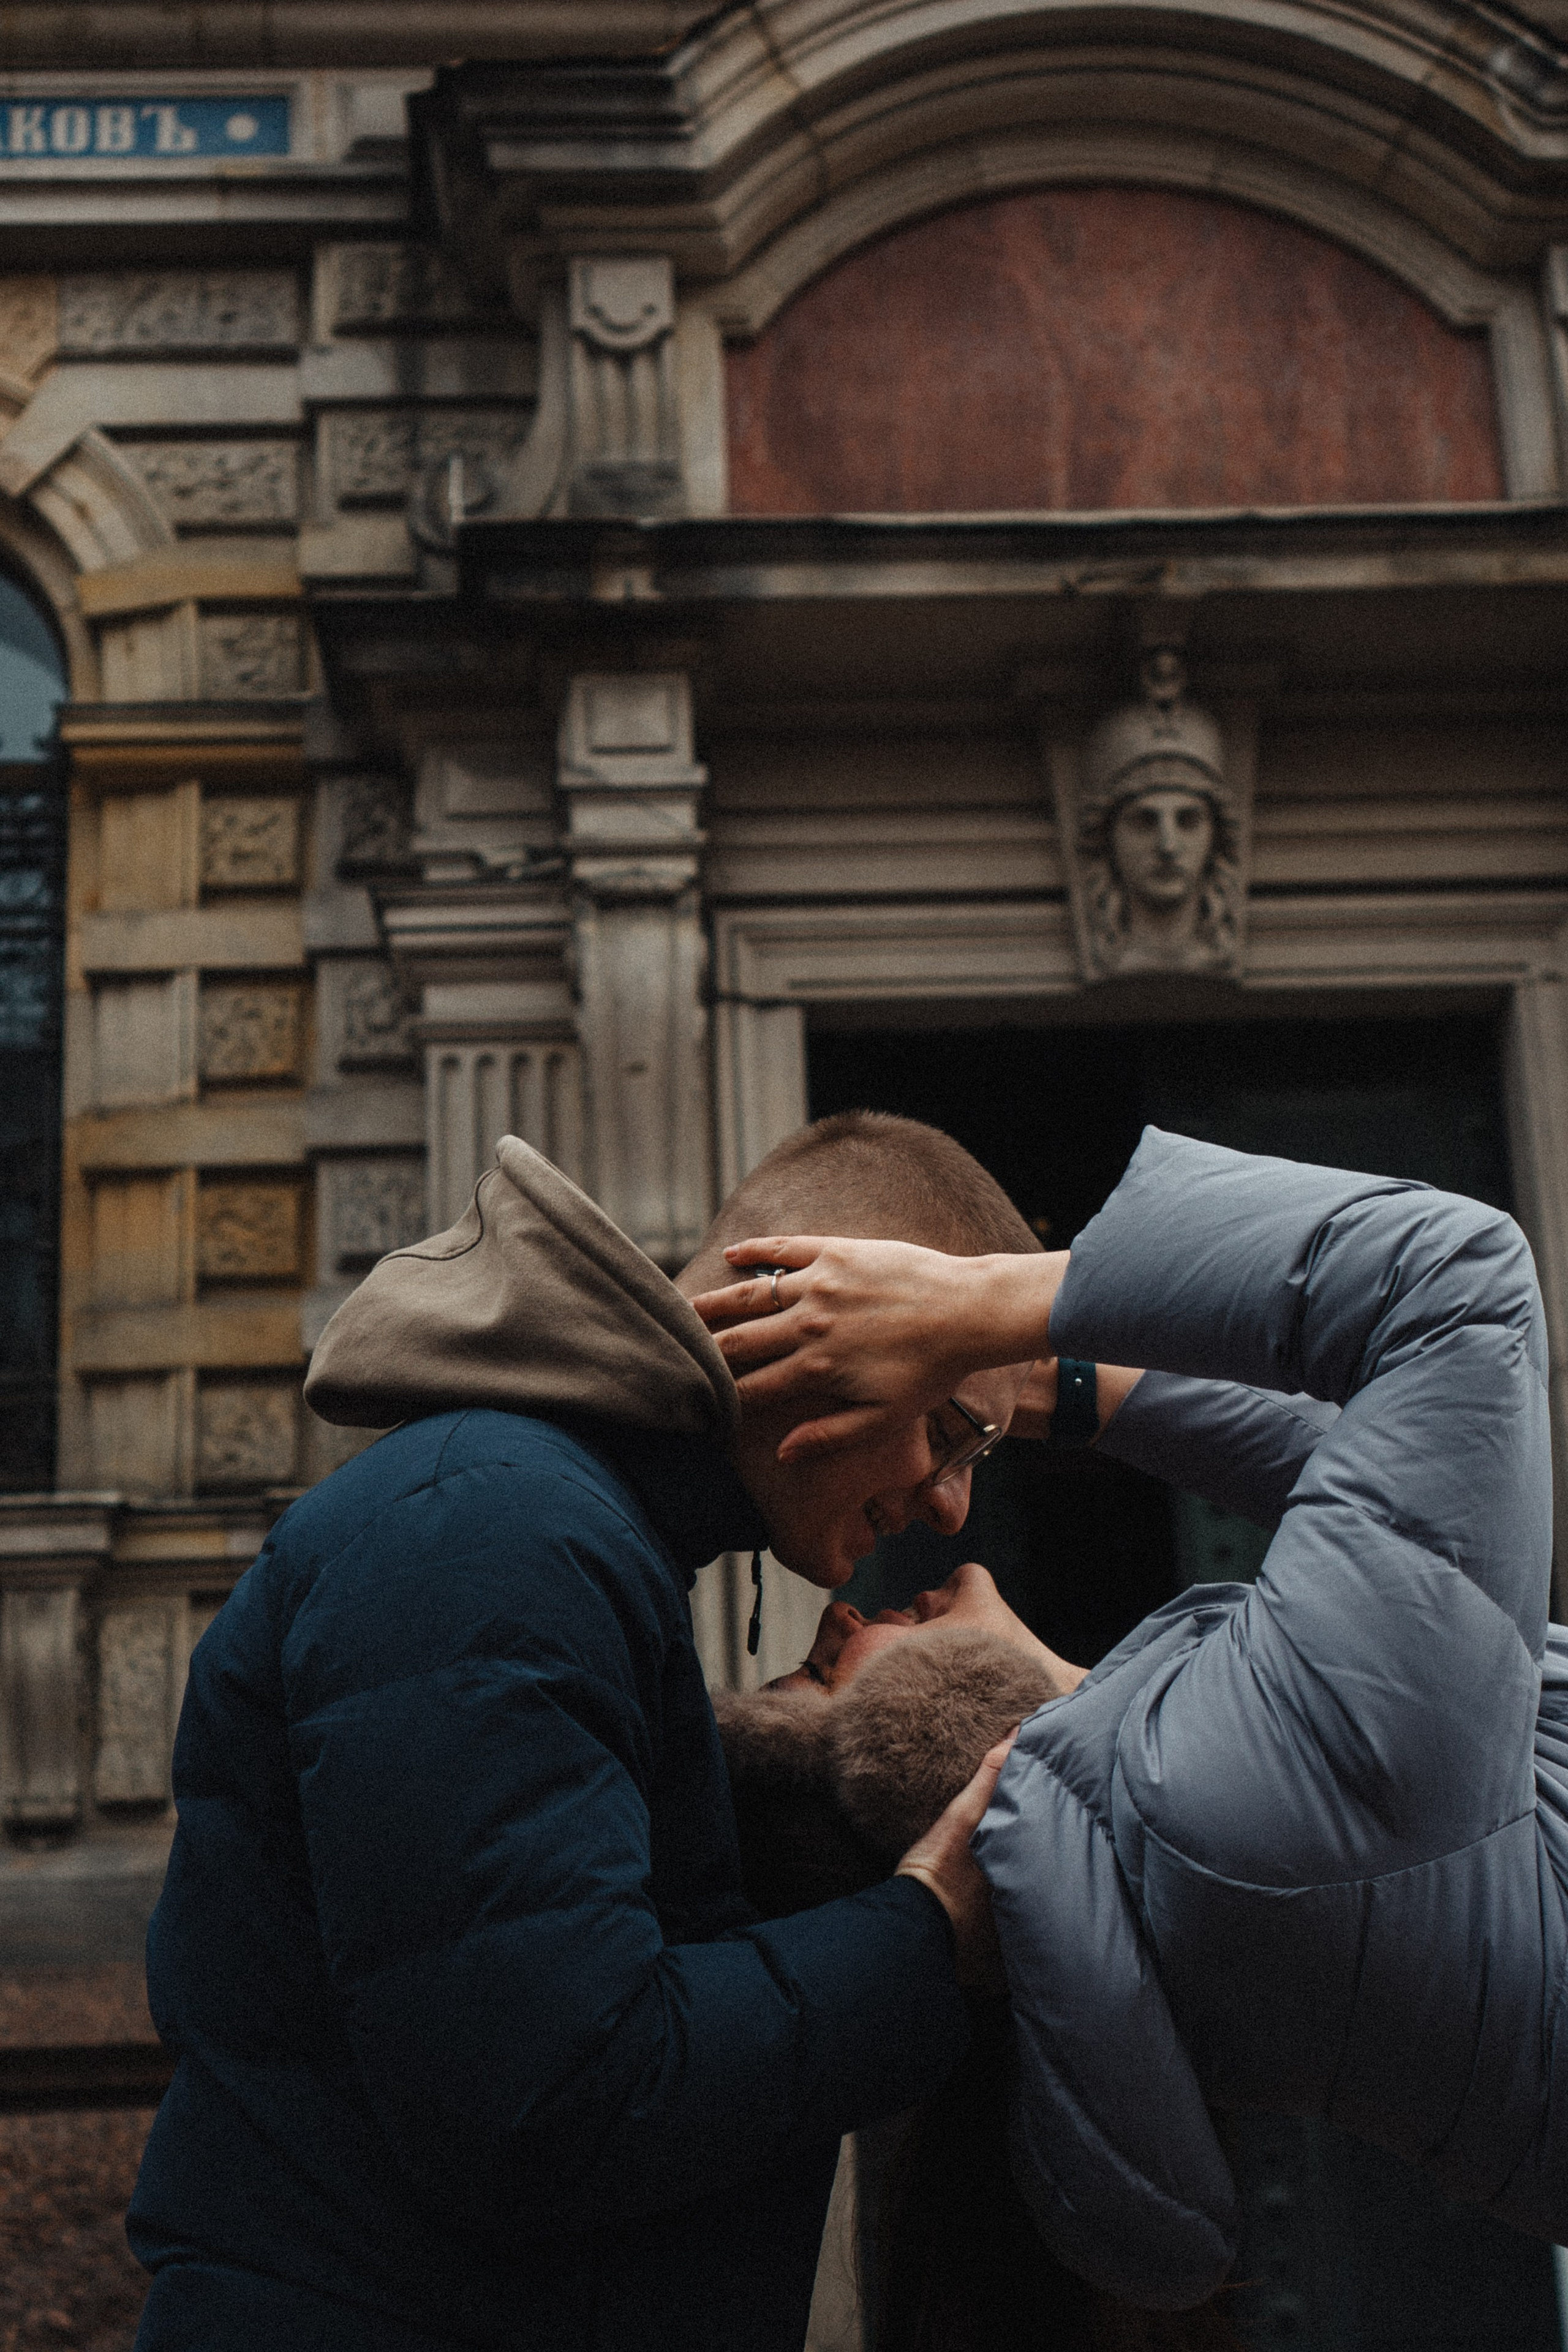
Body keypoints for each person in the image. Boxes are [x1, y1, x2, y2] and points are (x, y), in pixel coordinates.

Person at [126, 1112, 1037, 2352]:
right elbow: (548, 2108)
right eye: (950, 1429)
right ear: (793, 1317)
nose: (951, 1502)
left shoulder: (551, 1522)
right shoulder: (496, 1534)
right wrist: (928, 1928)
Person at [695, 1125, 1567, 2307]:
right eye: (825, 1673)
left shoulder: (1174, 1848)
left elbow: (1366, 1495)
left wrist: (1026, 1391)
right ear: (930, 1763)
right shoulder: (1233, 1798)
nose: (845, 1617)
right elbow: (1458, 1285)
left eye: (970, 1444)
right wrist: (982, 1311)